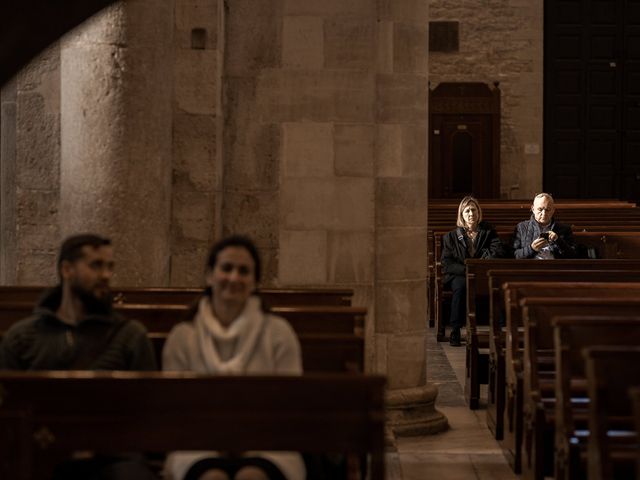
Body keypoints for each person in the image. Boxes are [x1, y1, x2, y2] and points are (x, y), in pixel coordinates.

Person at [0, 233, 158, 480]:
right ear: (67, 269)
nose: (106, 275)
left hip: (113, 457)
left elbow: (148, 413)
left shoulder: (130, 336)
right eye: (96, 265)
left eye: (109, 267)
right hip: (42, 454)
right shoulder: (22, 337)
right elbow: (7, 413)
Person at [162, 235, 305, 480]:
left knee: (252, 476)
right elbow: (175, 408)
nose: (234, 278)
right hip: (196, 445)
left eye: (244, 271)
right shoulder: (183, 336)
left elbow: (289, 405)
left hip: (270, 444)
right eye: (226, 268)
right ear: (210, 275)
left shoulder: (278, 333)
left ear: (255, 282)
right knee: (212, 478)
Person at [441, 196, 505, 347]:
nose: (471, 214)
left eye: (474, 210)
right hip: (460, 274)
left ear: (478, 212)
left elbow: (497, 251)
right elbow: (446, 263)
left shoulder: (488, 231)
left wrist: (481, 263)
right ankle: (455, 330)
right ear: (461, 214)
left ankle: (499, 328)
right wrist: (468, 269)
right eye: (467, 211)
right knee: (460, 287)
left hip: (483, 272)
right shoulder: (451, 237)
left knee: (495, 285)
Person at [512, 193, 576, 260]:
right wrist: (532, 248)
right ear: (533, 209)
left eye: (547, 210)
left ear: (553, 210)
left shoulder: (564, 229)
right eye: (540, 209)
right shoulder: (522, 227)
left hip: (556, 267)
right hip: (531, 267)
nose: (544, 213)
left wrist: (558, 240)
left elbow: (573, 255)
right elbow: (514, 255)